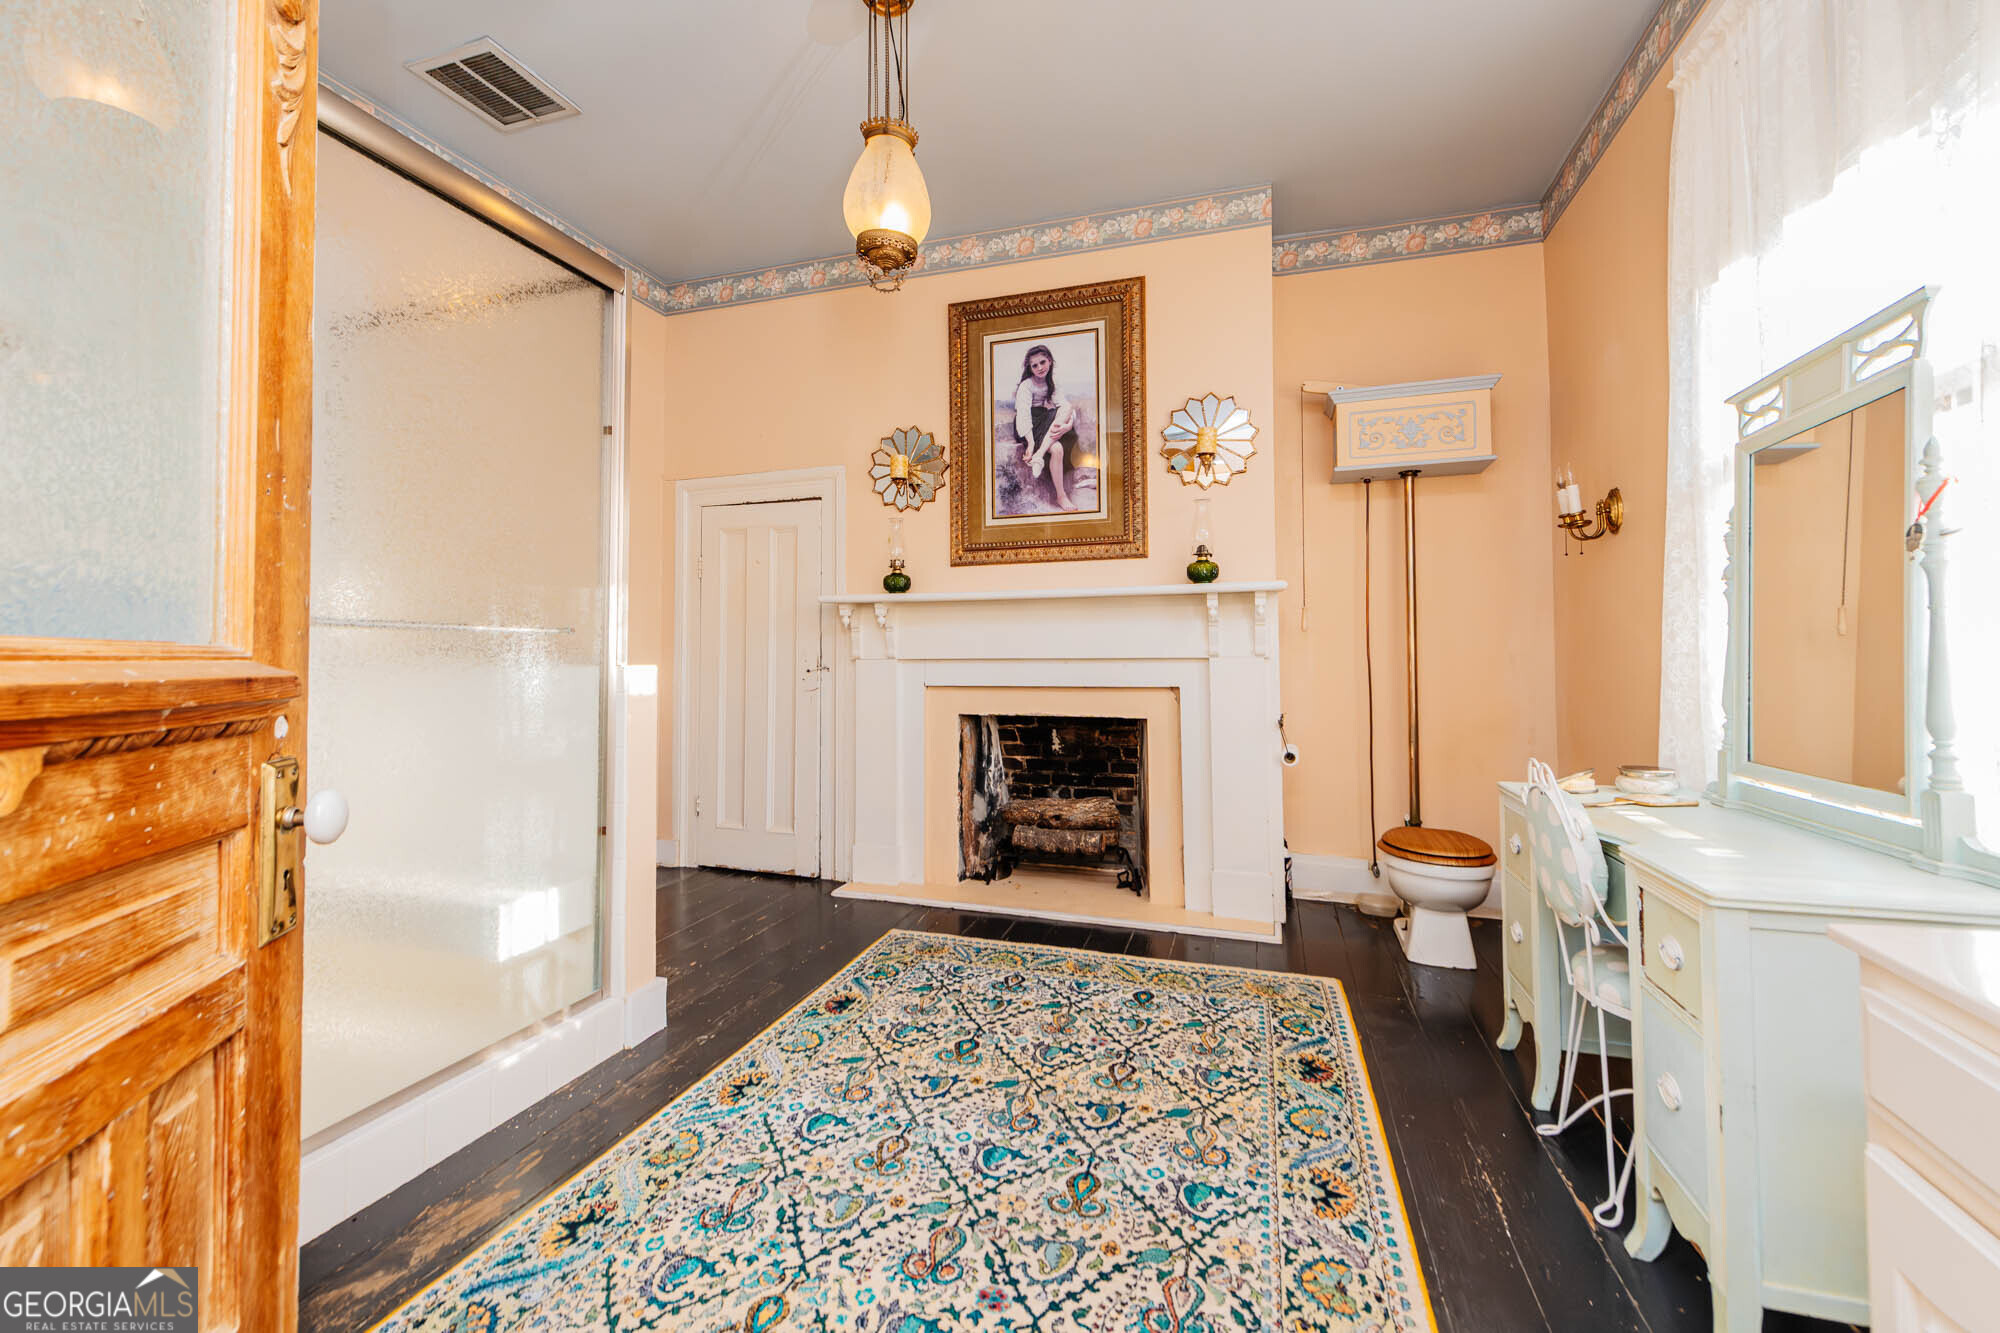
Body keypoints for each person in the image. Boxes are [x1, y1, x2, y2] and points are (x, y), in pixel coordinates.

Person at [1012, 343, 1081, 511]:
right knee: (1056, 445)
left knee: (1065, 411)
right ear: (1030, 368)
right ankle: (1039, 455)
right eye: (1035, 365)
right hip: (1028, 425)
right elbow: (1023, 415)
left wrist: (1067, 426)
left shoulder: (1053, 381)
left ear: (1049, 361)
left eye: (1042, 362)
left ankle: (1060, 495)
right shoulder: (1026, 385)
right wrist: (1030, 443)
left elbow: (1064, 406)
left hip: (1044, 421)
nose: (1040, 368)